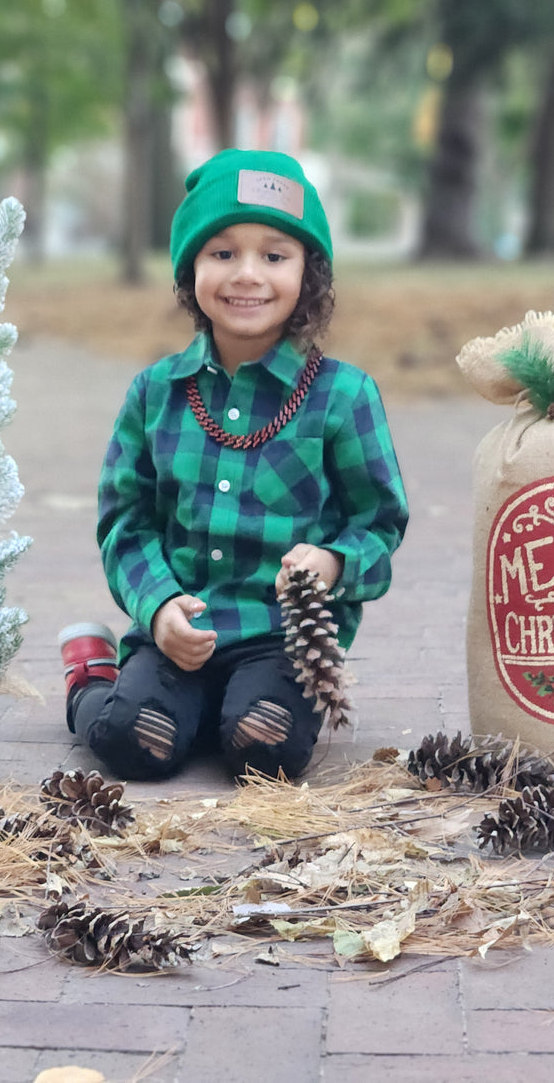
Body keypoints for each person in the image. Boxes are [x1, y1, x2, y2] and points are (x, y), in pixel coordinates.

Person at [60, 148, 409, 781]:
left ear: (309, 272)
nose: (247, 274)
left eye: (274, 255)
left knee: (264, 749)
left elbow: (380, 524)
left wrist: (333, 561)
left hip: (282, 639)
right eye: (222, 253)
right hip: (178, 631)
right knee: (132, 745)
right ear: (190, 267)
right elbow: (125, 525)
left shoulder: (344, 395)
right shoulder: (155, 393)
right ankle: (90, 679)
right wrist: (159, 607)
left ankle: (218, 711)